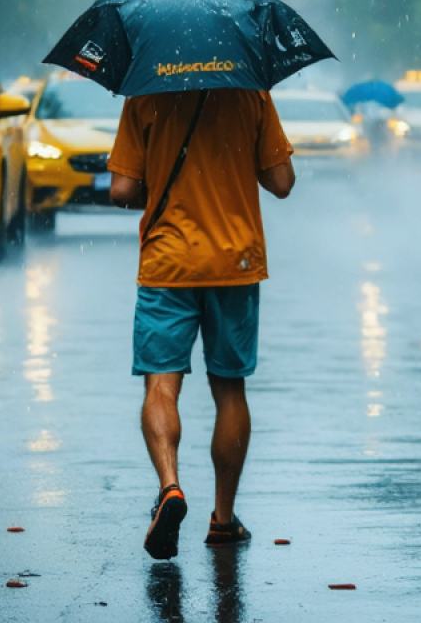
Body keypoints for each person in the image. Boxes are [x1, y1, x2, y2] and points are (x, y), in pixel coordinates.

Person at [106, 88, 296, 561]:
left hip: (168, 262)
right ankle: (224, 520)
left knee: (160, 387)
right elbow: (282, 181)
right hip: (235, 260)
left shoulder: (146, 92)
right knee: (229, 389)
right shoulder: (250, 92)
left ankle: (170, 486)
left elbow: (122, 190)